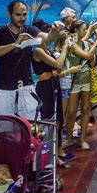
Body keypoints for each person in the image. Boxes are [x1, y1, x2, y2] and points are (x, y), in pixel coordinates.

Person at [0, 0, 63, 120]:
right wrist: (15, 44)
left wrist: (54, 30)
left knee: (32, 126)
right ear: (9, 14)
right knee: (4, 129)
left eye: (24, 15)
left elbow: (48, 39)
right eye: (18, 15)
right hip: (4, 88)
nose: (22, 18)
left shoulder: (30, 30)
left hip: (26, 87)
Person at [32, 21, 72, 167]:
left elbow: (58, 70)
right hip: (45, 88)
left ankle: (55, 154)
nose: (51, 37)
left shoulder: (47, 50)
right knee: (48, 120)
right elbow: (59, 65)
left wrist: (54, 70)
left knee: (58, 119)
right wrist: (66, 47)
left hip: (54, 84)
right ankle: (47, 158)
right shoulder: (38, 51)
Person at [63, 20, 97, 150]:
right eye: (84, 29)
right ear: (76, 30)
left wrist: (93, 50)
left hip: (86, 80)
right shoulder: (72, 45)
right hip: (74, 82)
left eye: (86, 29)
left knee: (86, 109)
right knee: (71, 112)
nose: (85, 31)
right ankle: (69, 139)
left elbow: (92, 62)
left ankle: (82, 139)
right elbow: (86, 55)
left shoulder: (86, 43)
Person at [52, 31, 80, 162]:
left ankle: (59, 149)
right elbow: (56, 73)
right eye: (69, 40)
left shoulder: (66, 54)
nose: (71, 43)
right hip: (61, 89)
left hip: (66, 88)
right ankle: (58, 151)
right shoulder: (58, 54)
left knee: (63, 118)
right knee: (60, 119)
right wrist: (71, 70)